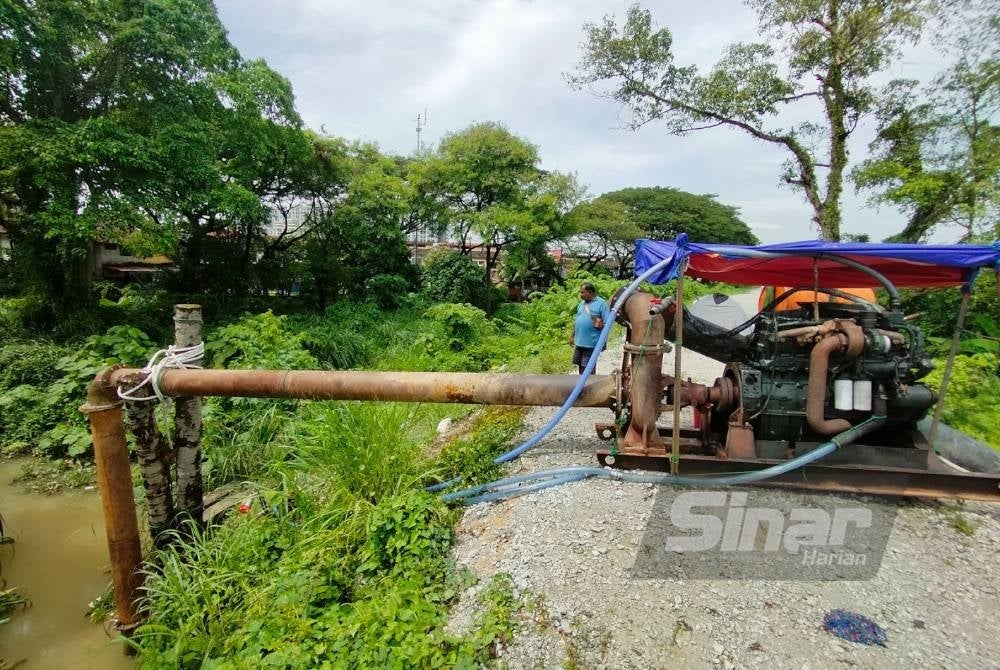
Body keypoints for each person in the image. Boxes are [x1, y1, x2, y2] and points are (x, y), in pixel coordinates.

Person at [569, 282, 611, 374]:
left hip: (591, 343)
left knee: (588, 366)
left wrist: (603, 338)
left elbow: (608, 323)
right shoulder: (581, 304)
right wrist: (572, 336)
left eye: (582, 292)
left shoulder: (601, 304)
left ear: (590, 292)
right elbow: (577, 321)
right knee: (580, 365)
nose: (580, 295)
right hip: (579, 343)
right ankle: (582, 382)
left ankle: (590, 382)